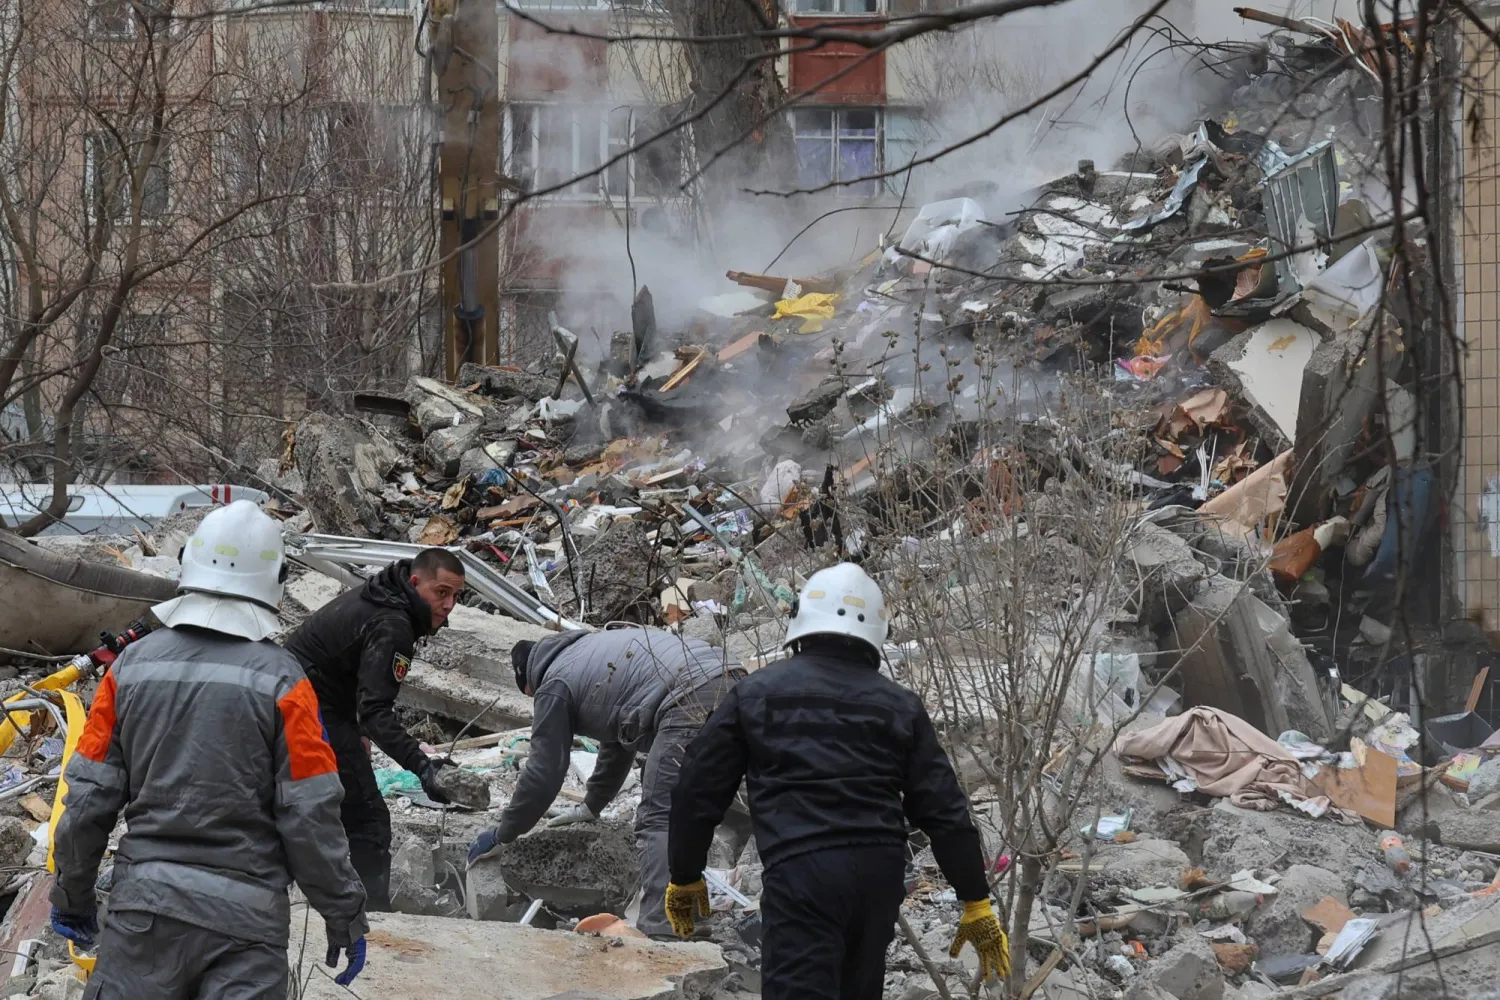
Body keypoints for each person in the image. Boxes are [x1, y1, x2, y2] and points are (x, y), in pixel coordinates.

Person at [50, 500, 369, 998]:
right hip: (248, 930)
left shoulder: (128, 670)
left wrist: (73, 895)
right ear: (276, 578)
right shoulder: (285, 681)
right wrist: (343, 912)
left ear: (188, 563)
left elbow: (88, 801)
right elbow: (310, 817)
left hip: (143, 916)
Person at [663, 563, 1009, 1000]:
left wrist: (685, 872)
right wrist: (974, 899)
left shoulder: (756, 695)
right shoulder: (900, 706)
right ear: (877, 633)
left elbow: (697, 788)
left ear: (801, 622)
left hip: (803, 875)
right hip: (880, 877)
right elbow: (944, 809)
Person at [467, 627, 748, 937]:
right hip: (732, 677)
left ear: (528, 684)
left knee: (659, 816)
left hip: (689, 696)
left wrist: (502, 835)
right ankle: (692, 915)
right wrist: (592, 805)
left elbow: (543, 772)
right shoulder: (591, 657)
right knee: (696, 810)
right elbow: (618, 741)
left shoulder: (553, 682)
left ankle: (663, 927)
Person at [282, 546, 466, 911]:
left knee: (333, 804)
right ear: (416, 583)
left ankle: (329, 895)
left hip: (297, 694)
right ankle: (370, 920)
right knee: (368, 820)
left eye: (456, 596)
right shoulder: (393, 625)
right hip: (307, 708)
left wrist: (357, 732)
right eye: (440, 593)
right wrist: (424, 767)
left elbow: (350, 674)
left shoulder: (384, 593)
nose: (448, 605)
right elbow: (376, 713)